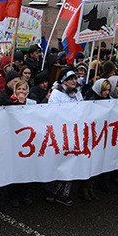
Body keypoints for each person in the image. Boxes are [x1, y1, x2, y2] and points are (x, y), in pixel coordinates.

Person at [45, 69, 83, 206]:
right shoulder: (57, 93)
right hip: (61, 132)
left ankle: (64, 193)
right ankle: (51, 190)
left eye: (75, 78)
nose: (74, 81)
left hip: (75, 132)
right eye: (71, 78)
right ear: (64, 80)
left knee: (71, 162)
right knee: (58, 162)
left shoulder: (77, 92)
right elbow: (52, 113)